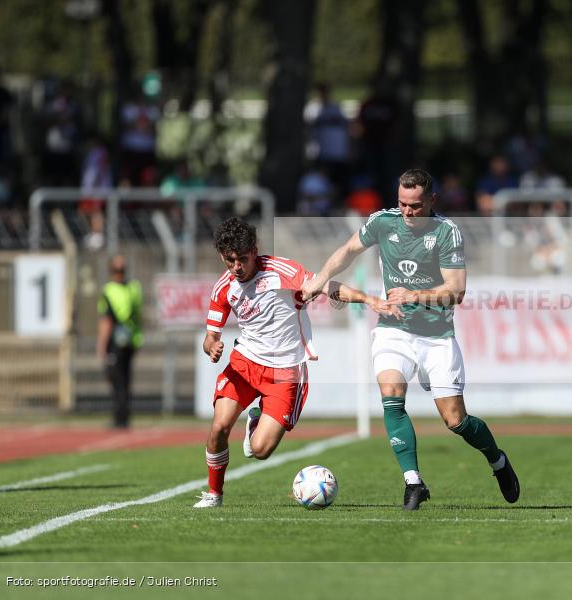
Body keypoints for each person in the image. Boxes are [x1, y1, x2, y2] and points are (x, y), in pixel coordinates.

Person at [301, 168, 520, 510]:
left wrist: (413, 295)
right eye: (402, 204)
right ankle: (413, 483)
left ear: (432, 200)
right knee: (391, 395)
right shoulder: (383, 221)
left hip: (437, 337)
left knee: (455, 420)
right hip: (393, 329)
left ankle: (497, 460)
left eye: (415, 206)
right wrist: (321, 277)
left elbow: (456, 292)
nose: (407, 212)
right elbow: (347, 250)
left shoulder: (447, 232)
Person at [194, 217, 398, 508]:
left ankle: (256, 423)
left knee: (260, 450)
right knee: (219, 428)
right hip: (245, 363)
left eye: (242, 259)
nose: (236, 267)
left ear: (255, 250)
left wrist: (368, 300)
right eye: (229, 261)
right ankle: (214, 494)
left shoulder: (282, 271)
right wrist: (211, 345)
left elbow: (327, 286)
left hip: (285, 371)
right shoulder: (224, 287)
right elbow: (210, 335)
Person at [96, 255, 143, 429]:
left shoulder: (109, 290)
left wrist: (101, 345)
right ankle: (124, 415)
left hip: (116, 341)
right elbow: (138, 315)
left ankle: (120, 418)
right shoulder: (134, 288)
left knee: (117, 379)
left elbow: (106, 321)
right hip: (131, 338)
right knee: (126, 378)